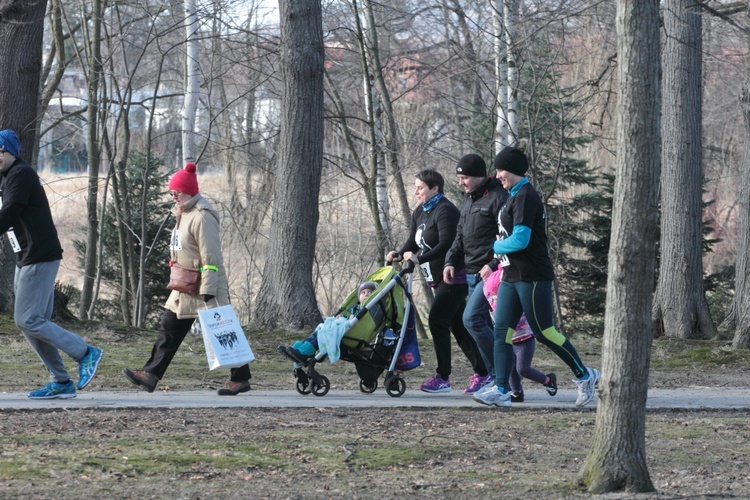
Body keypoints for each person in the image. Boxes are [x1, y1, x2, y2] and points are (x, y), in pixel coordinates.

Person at [473, 143, 600, 408]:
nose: (497, 176)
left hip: (532, 276)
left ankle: (584, 375)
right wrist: (500, 246)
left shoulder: (526, 196)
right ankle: (502, 390)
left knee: (544, 332)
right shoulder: (512, 195)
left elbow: (521, 239)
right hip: (510, 275)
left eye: (500, 170)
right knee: (501, 332)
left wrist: (495, 246)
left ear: (514, 170)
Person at [123, 162, 252, 396]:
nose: (173, 197)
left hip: (203, 285)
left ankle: (240, 379)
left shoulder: (202, 216)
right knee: (168, 327)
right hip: (184, 284)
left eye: (177, 193)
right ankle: (150, 375)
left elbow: (211, 255)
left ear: (189, 191)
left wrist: (209, 288)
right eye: (171, 193)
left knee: (222, 331)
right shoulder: (184, 213)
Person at [0, 129, 103, 399]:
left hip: (39, 255)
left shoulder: (21, 174)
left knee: (28, 319)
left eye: (1, 151)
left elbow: (9, 212)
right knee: (32, 322)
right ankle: (61, 381)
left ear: (12, 152)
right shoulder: (7, 176)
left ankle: (85, 352)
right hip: (26, 256)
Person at [386, 169, 491, 394]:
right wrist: (398, 253)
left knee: (436, 320)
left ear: (435, 188)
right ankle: (484, 373)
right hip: (435, 277)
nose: (416, 192)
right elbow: (412, 243)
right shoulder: (420, 212)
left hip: (453, 276)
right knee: (458, 327)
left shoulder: (445, 210)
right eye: (415, 187)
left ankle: (443, 377)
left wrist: (419, 258)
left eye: (420, 187)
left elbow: (447, 244)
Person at [443, 153, 509, 393]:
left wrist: (492, 264)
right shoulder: (469, 199)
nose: (461, 182)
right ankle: (504, 379)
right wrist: (450, 261)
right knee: (482, 324)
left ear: (480, 176)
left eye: (465, 178)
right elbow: (460, 234)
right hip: (471, 272)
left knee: (471, 319)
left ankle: (498, 375)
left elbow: (506, 238)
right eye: (459, 177)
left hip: (491, 273)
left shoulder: (499, 198)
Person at [483, 268, 557, 402]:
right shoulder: (492, 302)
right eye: (491, 295)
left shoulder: (513, 298)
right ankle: (517, 392)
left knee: (522, 369)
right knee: (510, 368)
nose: (494, 298)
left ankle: (548, 380)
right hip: (509, 341)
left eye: (496, 294)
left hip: (525, 338)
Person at [277, 281, 377, 364]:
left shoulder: (371, 310)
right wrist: (341, 317)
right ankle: (298, 349)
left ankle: (304, 353)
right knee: (318, 332)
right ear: (359, 297)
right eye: (363, 293)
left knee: (322, 334)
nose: (366, 294)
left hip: (351, 333)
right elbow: (348, 318)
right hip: (345, 328)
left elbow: (358, 322)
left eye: (369, 292)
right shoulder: (356, 308)